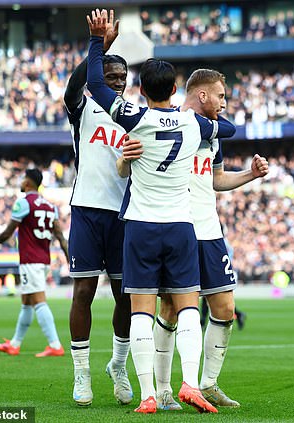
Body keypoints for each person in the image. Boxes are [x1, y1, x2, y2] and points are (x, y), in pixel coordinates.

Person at [86, 9, 236, 414]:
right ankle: (191, 383)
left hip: (141, 227)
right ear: (174, 87)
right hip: (181, 226)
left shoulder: (134, 117)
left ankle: (150, 394)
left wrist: (96, 43)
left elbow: (96, 84)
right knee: (189, 306)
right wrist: (206, 118)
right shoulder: (193, 125)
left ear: (140, 88)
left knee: (142, 310)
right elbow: (229, 129)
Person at [148, 69, 268, 410]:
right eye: (221, 97)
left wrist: (250, 175)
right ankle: (163, 389)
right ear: (202, 95)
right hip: (177, 227)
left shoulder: (213, 135)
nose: (224, 103)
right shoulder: (168, 124)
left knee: (225, 309)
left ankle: (209, 383)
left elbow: (215, 180)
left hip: (210, 230)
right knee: (170, 308)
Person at [63, 9, 133, 407]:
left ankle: (118, 367)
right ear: (98, 79)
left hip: (124, 213)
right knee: (84, 291)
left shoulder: (134, 115)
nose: (118, 82)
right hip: (88, 209)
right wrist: (98, 47)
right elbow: (73, 87)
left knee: (126, 295)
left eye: (122, 78)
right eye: (110, 76)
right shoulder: (83, 108)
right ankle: (82, 374)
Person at [0, 168, 69, 358]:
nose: (21, 182)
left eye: (23, 179)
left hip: (31, 260)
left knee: (38, 301)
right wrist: (69, 257)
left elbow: (8, 232)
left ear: (28, 182)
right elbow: (61, 237)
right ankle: (15, 344)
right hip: (43, 258)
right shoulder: (50, 206)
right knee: (27, 303)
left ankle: (55, 345)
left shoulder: (23, 203)